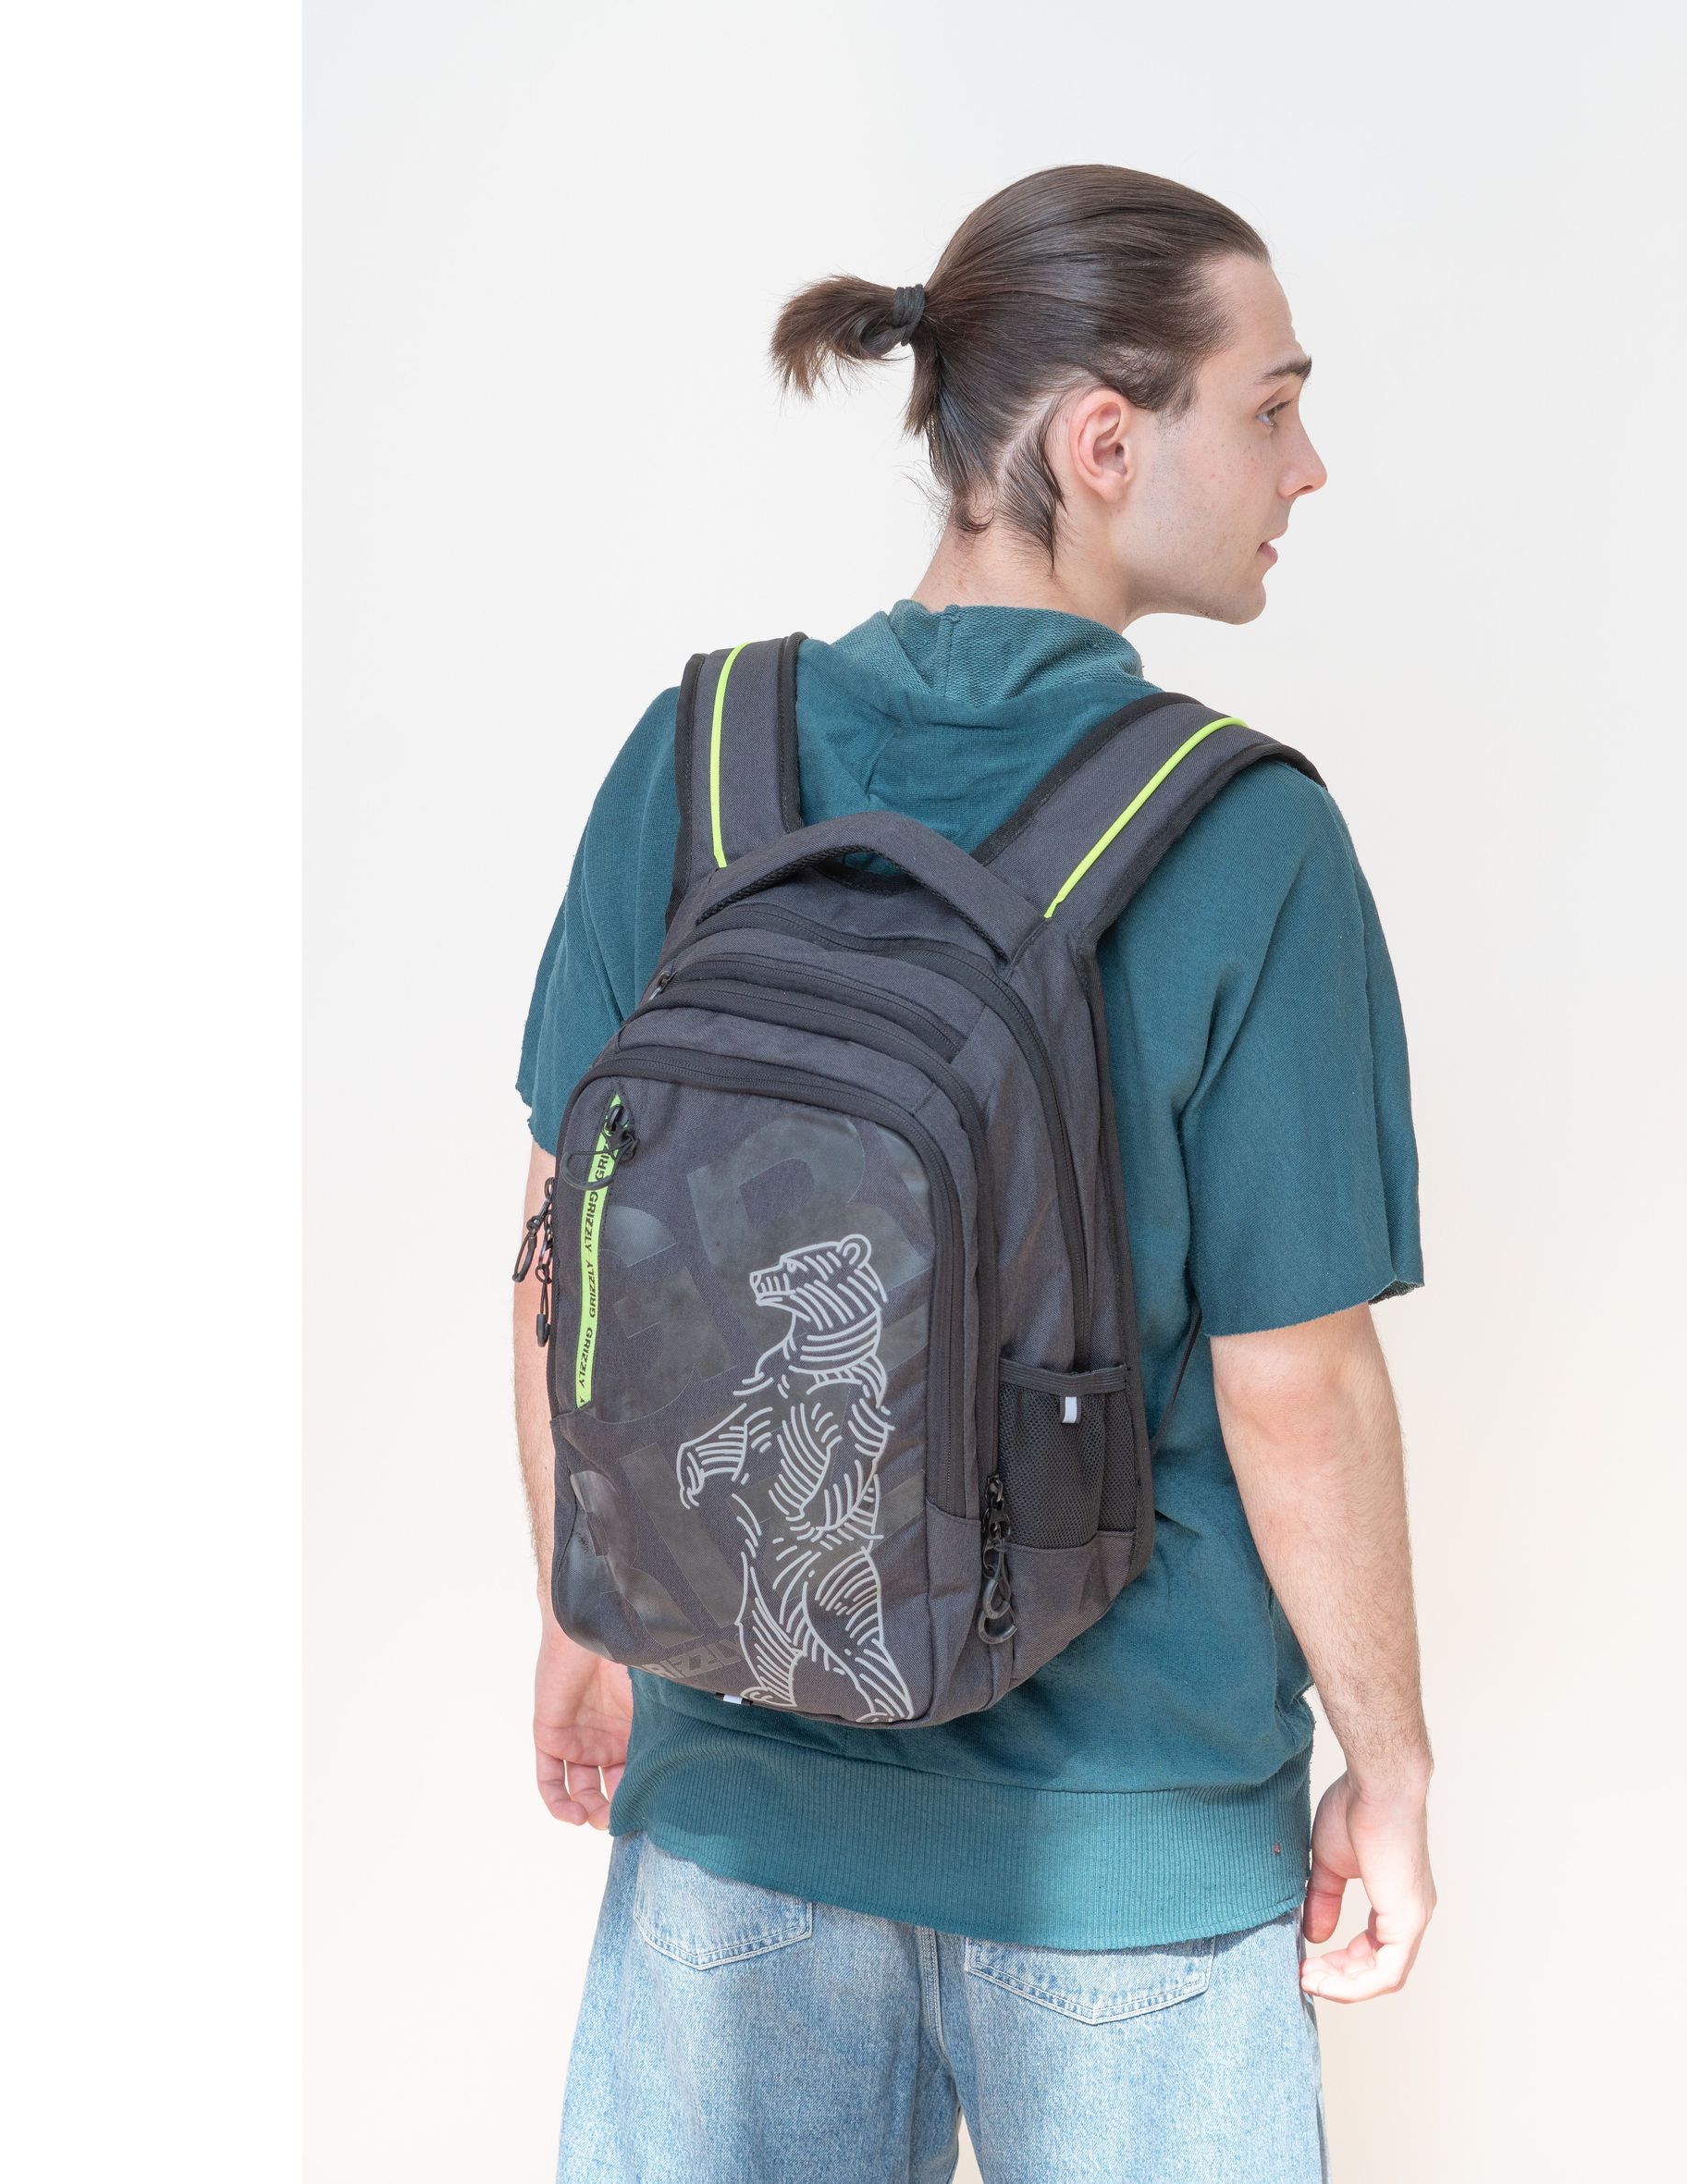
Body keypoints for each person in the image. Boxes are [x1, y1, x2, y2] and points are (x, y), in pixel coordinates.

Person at [513, 165, 1435, 2184]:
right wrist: (1389, 1763)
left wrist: (588, 1607)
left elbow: (561, 1261)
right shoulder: (1247, 841)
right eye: (1269, 407)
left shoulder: (695, 757)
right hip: (1125, 1853)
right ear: (1103, 442)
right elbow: (1296, 1382)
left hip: (735, 1806)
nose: (1305, 466)